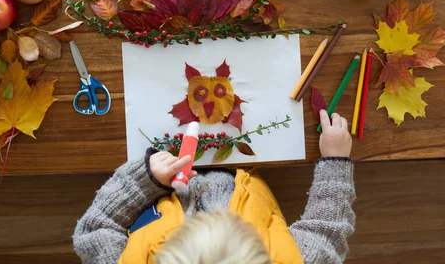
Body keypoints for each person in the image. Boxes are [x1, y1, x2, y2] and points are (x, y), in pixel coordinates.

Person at [73, 110, 355, 264]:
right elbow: (326, 229)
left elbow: (97, 227)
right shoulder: (297, 260)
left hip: (165, 180)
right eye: (239, 224)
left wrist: (145, 180)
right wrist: (335, 160)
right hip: (244, 170)